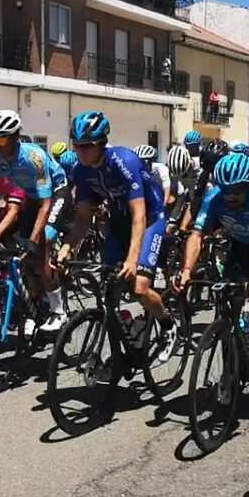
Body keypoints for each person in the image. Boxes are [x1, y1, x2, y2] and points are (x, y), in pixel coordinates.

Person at [58, 110, 176, 363]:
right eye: (76, 146)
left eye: (86, 146)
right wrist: (67, 247)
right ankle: (125, 337)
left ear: (101, 143)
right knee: (109, 285)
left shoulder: (124, 160)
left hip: (150, 219)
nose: (80, 152)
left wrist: (132, 260)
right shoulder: (82, 171)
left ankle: (168, 325)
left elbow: (139, 215)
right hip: (119, 220)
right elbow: (83, 218)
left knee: (139, 286)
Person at [176, 154, 249, 365]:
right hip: (241, 244)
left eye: (237, 190)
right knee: (233, 293)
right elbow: (196, 236)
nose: (230, 196)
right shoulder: (213, 198)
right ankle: (240, 345)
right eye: (225, 190)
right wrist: (187, 270)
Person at [0, 110, 70, 331]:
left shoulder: (33, 157)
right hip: (31, 197)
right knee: (24, 260)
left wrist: (34, 241)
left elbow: (45, 204)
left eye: (1, 140)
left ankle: (59, 310)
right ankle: (37, 302)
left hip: (56, 194)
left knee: (42, 245)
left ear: (15, 137)